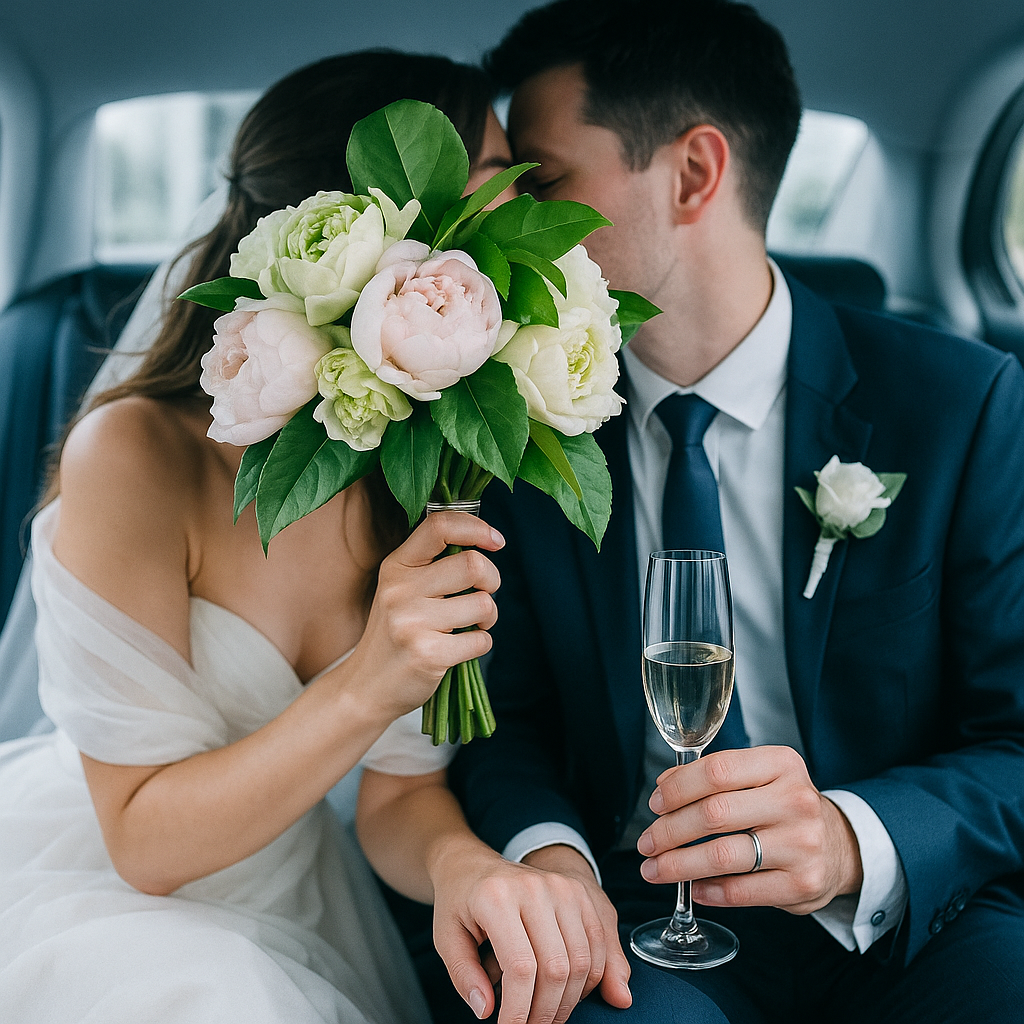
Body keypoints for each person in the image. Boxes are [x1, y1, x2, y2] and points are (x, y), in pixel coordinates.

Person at [426, 2, 1024, 1022]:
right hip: (631, 917)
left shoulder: (961, 407)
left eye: (544, 182)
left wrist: (853, 838)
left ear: (694, 173)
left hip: (917, 913)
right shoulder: (510, 424)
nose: (504, 223)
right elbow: (502, 721)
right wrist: (553, 858)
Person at [0, 50, 519, 1024]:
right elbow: (143, 844)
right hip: (119, 890)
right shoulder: (137, 453)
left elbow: (398, 798)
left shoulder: (431, 453)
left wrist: (467, 867)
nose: (518, 228)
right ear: (375, 228)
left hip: (304, 907)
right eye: (492, 186)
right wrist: (370, 679)